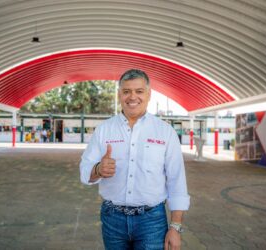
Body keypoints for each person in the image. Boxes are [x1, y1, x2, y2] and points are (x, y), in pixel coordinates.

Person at [80, 69, 190, 249]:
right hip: (112, 219)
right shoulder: (104, 130)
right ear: (119, 95)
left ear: (148, 94)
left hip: (152, 221)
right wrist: (98, 169)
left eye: (139, 91)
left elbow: (177, 181)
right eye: (126, 91)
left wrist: (175, 227)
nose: (133, 97)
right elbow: (85, 171)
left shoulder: (165, 132)